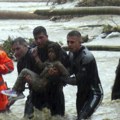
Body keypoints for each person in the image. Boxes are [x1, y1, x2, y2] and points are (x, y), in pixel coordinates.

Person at [1, 43, 69, 100]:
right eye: (49, 52)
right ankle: (17, 91)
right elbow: (41, 66)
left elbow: (66, 74)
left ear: (57, 53)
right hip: (40, 78)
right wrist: (36, 56)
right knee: (24, 71)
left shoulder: (58, 64)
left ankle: (16, 91)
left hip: (42, 84)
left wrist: (57, 73)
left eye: (53, 52)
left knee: (24, 71)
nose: (50, 54)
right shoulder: (48, 61)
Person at [31, 26, 69, 116]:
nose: (38, 41)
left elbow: (69, 68)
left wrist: (58, 73)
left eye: (41, 37)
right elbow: (30, 69)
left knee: (58, 117)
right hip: (38, 92)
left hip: (55, 91)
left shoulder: (56, 48)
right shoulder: (33, 51)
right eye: (36, 39)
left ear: (47, 36)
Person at [65, 30, 103, 120]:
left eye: (72, 42)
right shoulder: (70, 54)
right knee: (80, 117)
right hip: (81, 92)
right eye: (68, 42)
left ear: (80, 42)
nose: (69, 44)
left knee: (82, 118)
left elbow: (77, 80)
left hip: (94, 93)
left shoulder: (87, 57)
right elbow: (69, 71)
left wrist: (61, 79)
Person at [9, 37, 36, 119]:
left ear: (26, 45)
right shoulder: (20, 63)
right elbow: (20, 87)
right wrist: (9, 103)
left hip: (52, 93)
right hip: (33, 94)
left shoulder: (35, 54)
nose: (15, 53)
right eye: (13, 50)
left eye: (18, 49)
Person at [0, 47, 14, 112]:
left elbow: (10, 67)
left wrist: (1, 67)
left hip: (1, 97)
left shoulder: (1, 54)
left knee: (4, 114)